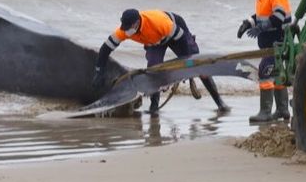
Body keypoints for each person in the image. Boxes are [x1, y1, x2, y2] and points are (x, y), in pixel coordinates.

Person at [92, 8, 228, 115]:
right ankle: (154, 107)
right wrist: (99, 72)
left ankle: (220, 103)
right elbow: (105, 49)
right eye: (124, 28)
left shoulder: (159, 22)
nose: (126, 31)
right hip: (154, 41)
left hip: (175, 32)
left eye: (129, 28)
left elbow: (181, 39)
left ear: (137, 22)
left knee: (199, 66)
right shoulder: (124, 30)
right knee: (153, 69)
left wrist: (187, 65)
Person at [237, 0, 292, 123]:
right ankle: (282, 110)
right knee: (275, 73)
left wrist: (261, 28)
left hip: (277, 39)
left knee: (265, 72)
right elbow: (261, 15)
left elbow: (278, 17)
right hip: (268, 41)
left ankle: (265, 112)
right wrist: (248, 23)